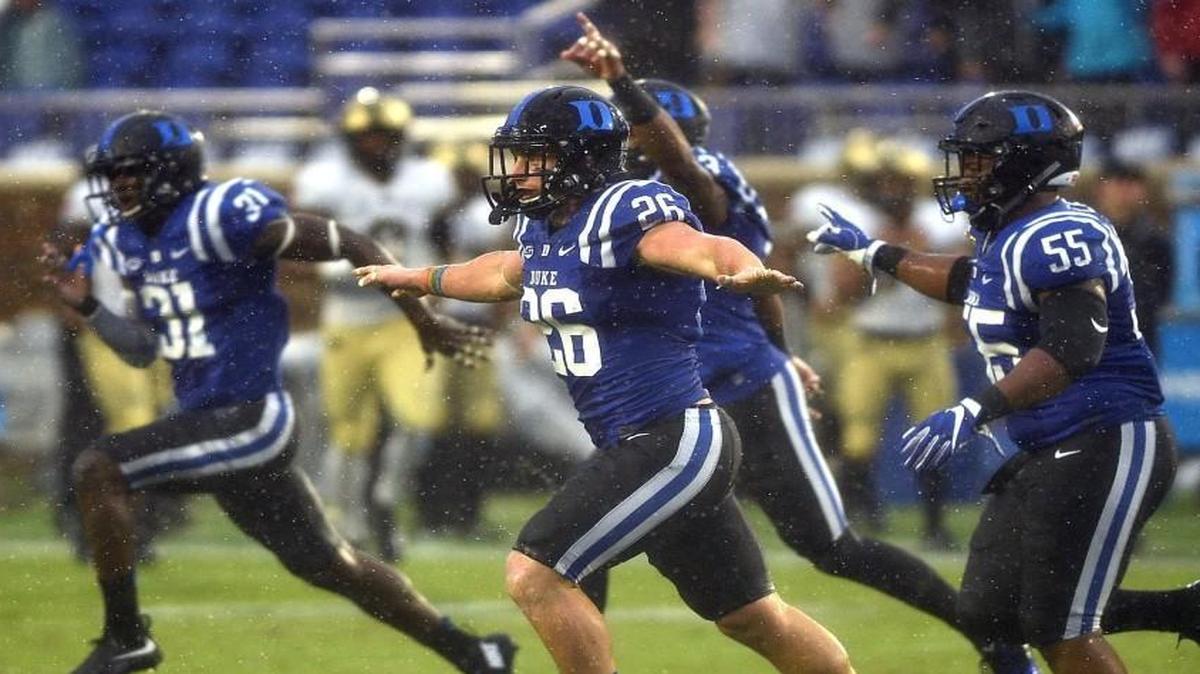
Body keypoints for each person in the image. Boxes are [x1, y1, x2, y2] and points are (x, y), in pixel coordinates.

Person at [560, 13, 1036, 673]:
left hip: (741, 386)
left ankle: (994, 639)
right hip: (671, 403)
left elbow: (737, 259)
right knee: (577, 544)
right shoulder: (617, 200)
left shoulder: (696, 184)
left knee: (831, 545)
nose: (631, 152)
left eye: (640, 138)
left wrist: (778, 357)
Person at [356, 84, 854, 674]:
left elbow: (698, 246)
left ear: (579, 158)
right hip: (641, 444)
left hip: (674, 440)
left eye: (533, 155)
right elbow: (500, 274)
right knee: (752, 617)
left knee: (535, 573)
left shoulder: (626, 210)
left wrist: (738, 270)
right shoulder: (544, 229)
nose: (517, 170)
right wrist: (420, 277)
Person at [39, 110, 515, 674]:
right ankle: (474, 652)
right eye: (111, 176)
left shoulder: (218, 214)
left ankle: (125, 637)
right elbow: (144, 350)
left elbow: (350, 241)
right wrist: (89, 306)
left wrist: (423, 321)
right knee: (332, 564)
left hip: (248, 418)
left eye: (129, 175)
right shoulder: (126, 240)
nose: (116, 188)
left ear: (169, 173)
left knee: (99, 466)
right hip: (214, 423)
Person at [809, 90, 1199, 673]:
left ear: (1022, 162)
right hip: (1049, 446)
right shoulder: (1010, 232)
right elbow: (973, 281)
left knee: (1058, 623)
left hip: (1106, 438)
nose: (964, 174)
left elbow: (1071, 351)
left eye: (977, 159)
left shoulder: (1058, 232)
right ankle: (1184, 610)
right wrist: (875, 254)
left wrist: (974, 409)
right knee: (989, 609)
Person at [292, 86, 459, 560]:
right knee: (348, 429)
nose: (376, 145)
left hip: (410, 318)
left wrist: (440, 288)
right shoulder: (326, 182)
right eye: (366, 137)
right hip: (348, 317)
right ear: (348, 140)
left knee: (418, 417)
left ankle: (385, 498)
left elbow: (445, 241)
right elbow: (296, 251)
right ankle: (348, 522)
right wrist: (331, 274)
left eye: (385, 136)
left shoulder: (428, 180)